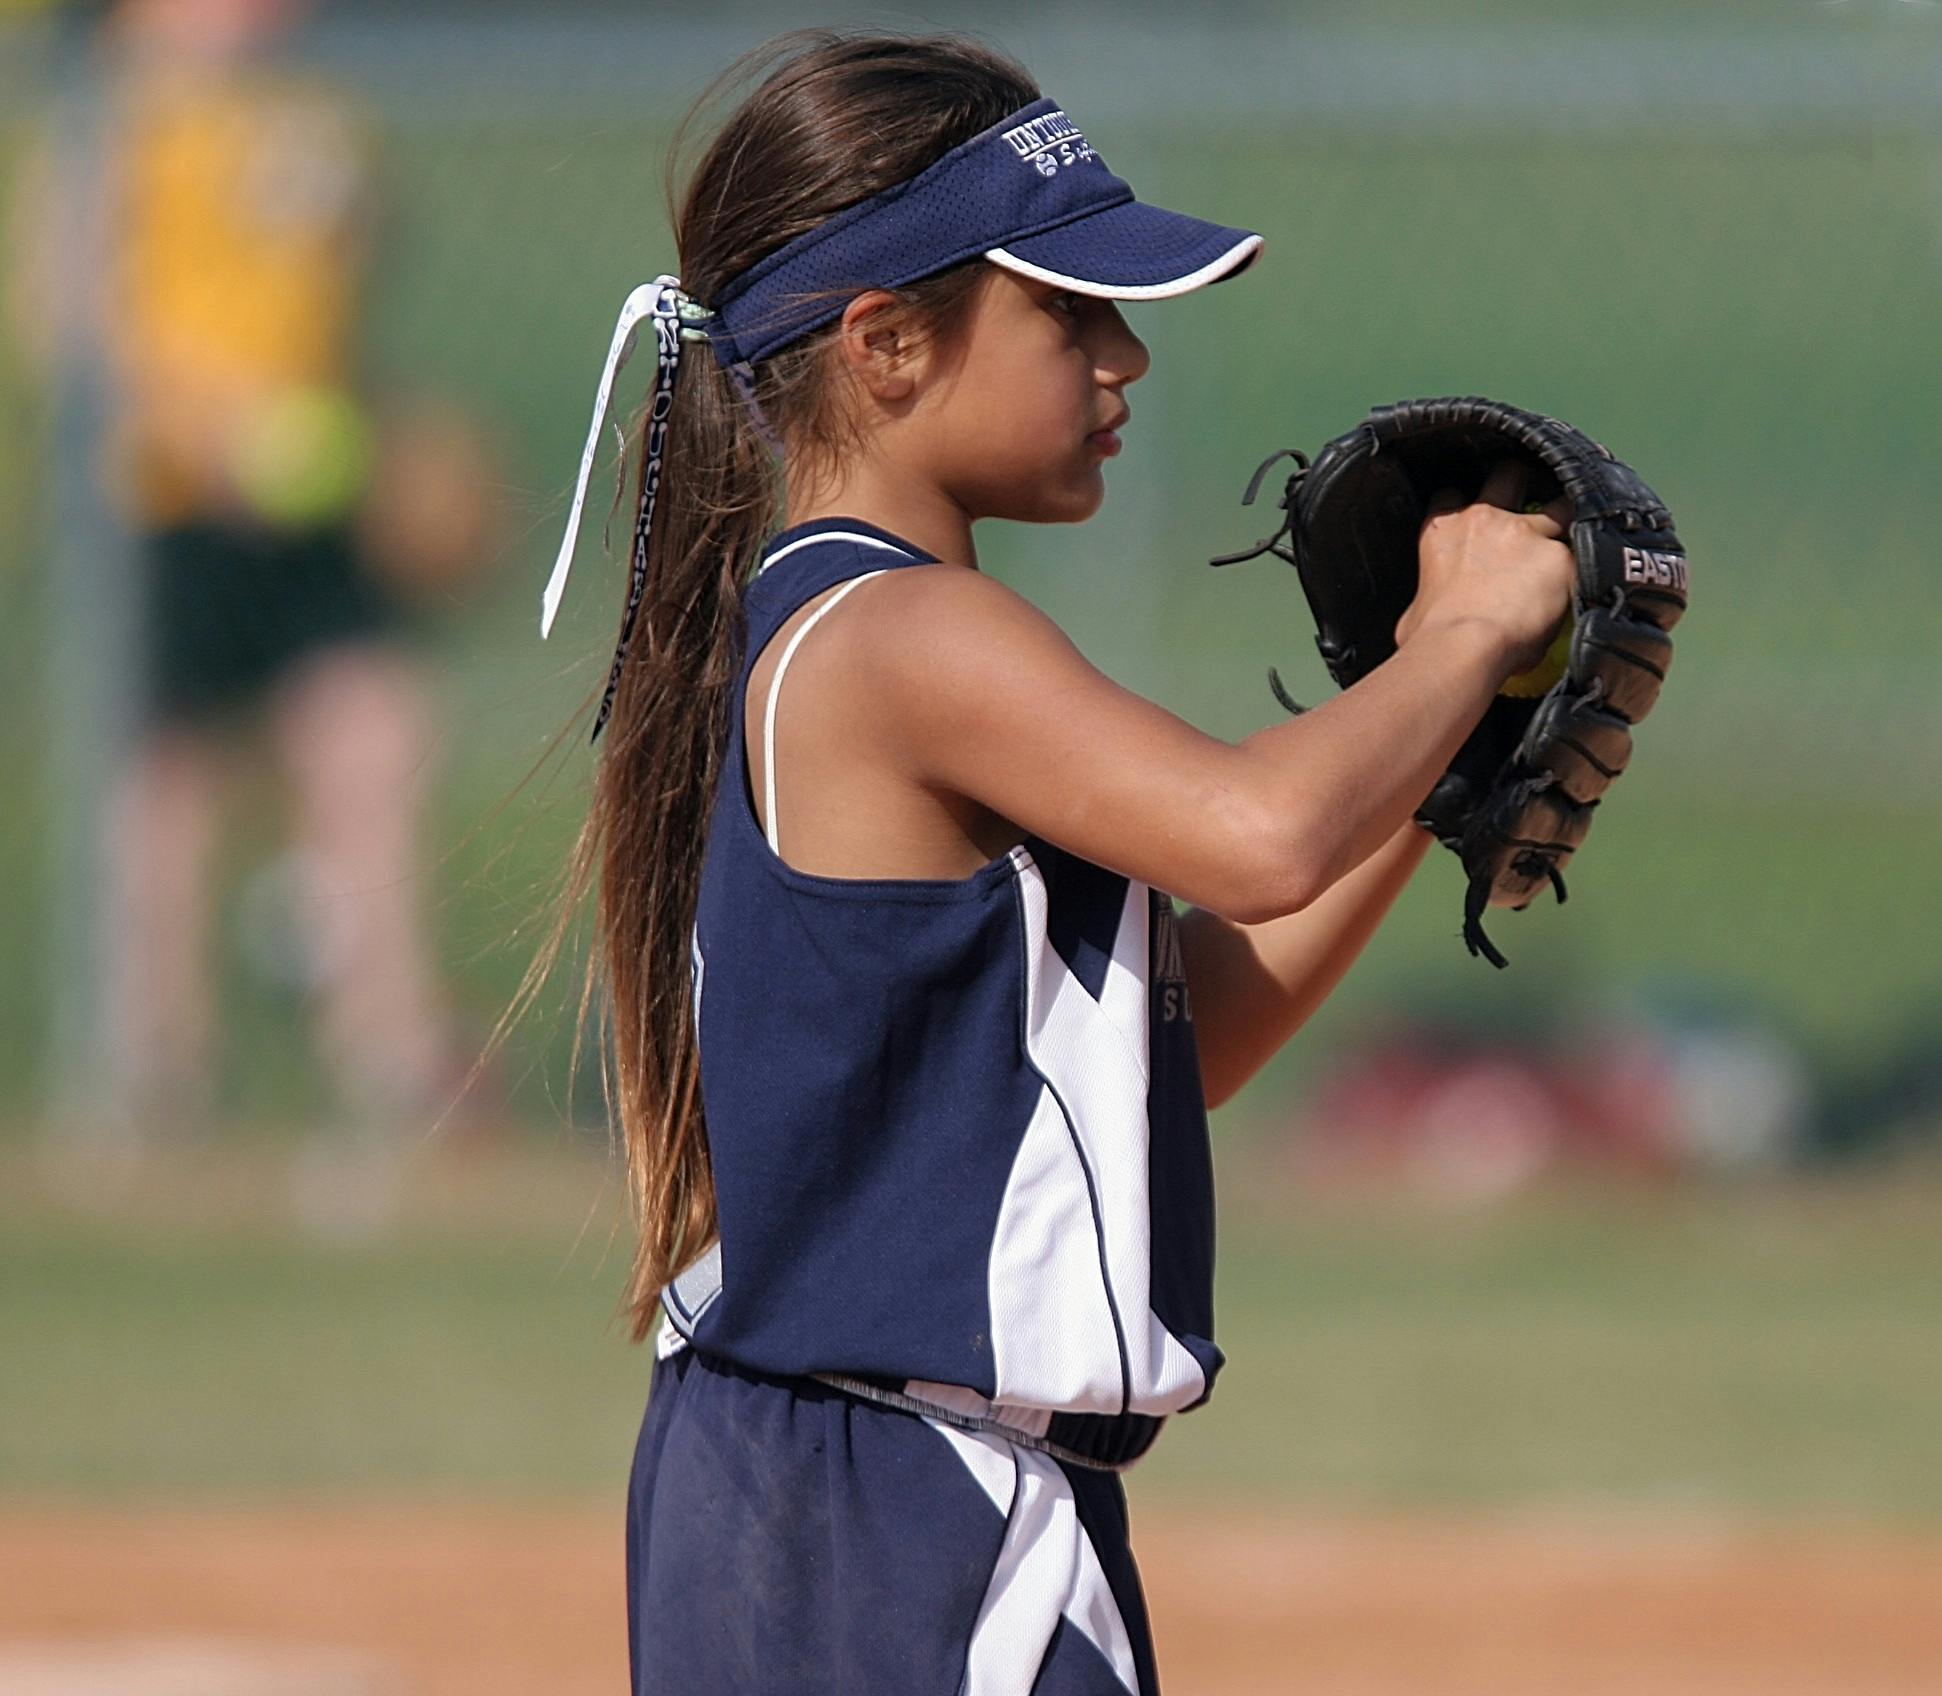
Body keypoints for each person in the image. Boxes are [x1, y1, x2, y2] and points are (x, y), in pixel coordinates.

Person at [527, 30, 1573, 1695]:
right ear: (883, 345)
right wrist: (1457, 635)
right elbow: (1256, 832)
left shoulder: (855, 628)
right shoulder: (904, 635)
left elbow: (1189, 1031)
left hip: (867, 1499)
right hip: (898, 1522)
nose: (1120, 361)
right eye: (1065, 311)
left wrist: (1438, 748)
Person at [29, 0, 464, 1216]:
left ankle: (390, 1055)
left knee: (373, 736)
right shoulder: (110, 116)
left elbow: (337, 309)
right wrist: (208, 426)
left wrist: (378, 432)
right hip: (162, 503)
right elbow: (68, 320)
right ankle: (153, 1068)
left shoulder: (310, 115)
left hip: (308, 498)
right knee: (167, 786)